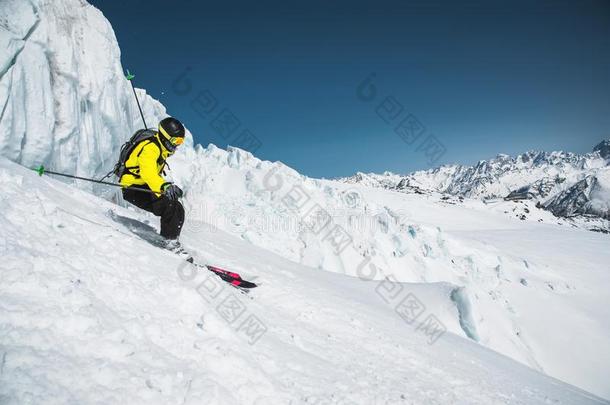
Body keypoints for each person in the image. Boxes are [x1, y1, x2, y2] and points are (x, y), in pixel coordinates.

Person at [120, 117, 186, 249]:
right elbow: (147, 172)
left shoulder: (160, 149)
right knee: (171, 205)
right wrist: (164, 186)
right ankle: (170, 242)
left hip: (144, 186)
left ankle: (171, 240)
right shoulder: (151, 148)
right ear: (165, 136)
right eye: (175, 141)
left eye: (180, 142)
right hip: (133, 188)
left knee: (176, 207)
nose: (176, 145)